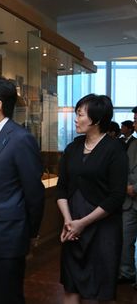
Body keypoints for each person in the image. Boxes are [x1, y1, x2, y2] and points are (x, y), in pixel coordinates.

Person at [0, 76, 45, 304]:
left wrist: (30, 234)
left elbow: (34, 192)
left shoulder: (20, 139)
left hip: (7, 237)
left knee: (8, 297)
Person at [56, 94, 127, 303]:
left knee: (99, 290)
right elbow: (62, 188)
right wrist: (69, 222)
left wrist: (83, 223)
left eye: (80, 114)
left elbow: (116, 197)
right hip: (72, 229)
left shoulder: (115, 150)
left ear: (96, 120)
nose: (75, 119)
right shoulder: (73, 147)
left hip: (102, 230)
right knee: (71, 284)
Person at [122, 107, 137, 285]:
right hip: (128, 202)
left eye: (136, 119)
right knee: (126, 240)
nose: (134, 123)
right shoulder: (132, 145)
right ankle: (126, 273)